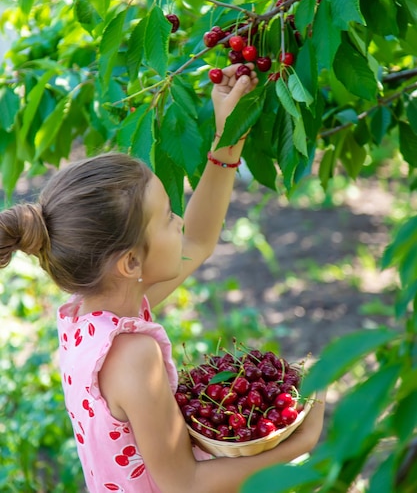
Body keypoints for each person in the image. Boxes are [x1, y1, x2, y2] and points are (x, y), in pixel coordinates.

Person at [0, 63, 325, 493]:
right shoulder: (134, 355)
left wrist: (227, 139)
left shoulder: (91, 314)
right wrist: (297, 443)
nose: (179, 223)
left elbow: (200, 240)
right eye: (169, 216)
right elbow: (184, 484)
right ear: (131, 263)